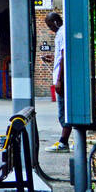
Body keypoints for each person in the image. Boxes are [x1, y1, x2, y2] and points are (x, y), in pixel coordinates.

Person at [43, 12, 71, 151]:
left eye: (49, 25)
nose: (50, 29)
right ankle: (64, 141)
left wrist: (59, 80)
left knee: (63, 112)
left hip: (61, 79)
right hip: (61, 77)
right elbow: (60, 56)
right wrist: (52, 57)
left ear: (55, 22)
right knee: (63, 111)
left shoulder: (62, 32)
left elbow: (64, 55)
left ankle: (63, 143)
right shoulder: (62, 32)